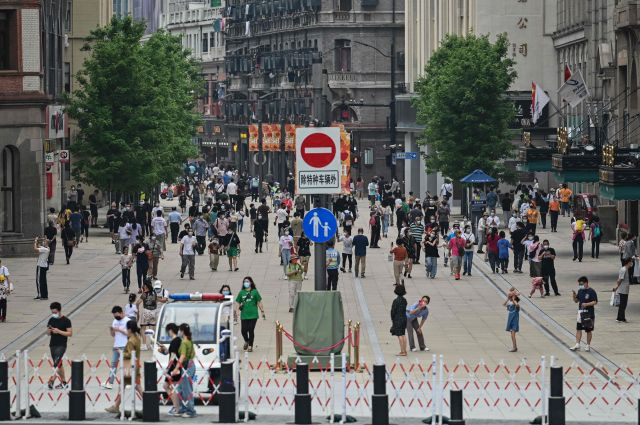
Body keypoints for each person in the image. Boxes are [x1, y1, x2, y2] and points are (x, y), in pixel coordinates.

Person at [104, 320, 142, 414]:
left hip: (130, 366)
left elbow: (129, 354)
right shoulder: (137, 338)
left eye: (127, 328)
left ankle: (150, 403)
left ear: (129, 329)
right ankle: (116, 406)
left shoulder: (131, 341)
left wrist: (120, 352)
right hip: (135, 365)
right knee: (124, 385)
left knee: (136, 386)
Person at [157, 323, 182, 416]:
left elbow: (173, 356)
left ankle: (177, 408)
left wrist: (167, 369)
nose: (167, 333)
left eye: (167, 331)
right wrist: (164, 348)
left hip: (174, 368)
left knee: (172, 387)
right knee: (166, 386)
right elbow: (170, 352)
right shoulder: (175, 341)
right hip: (174, 367)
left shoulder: (175, 341)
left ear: (171, 330)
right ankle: (176, 407)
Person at [172, 323, 197, 418]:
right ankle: (183, 408)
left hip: (186, 367)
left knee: (186, 389)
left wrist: (176, 368)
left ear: (182, 331)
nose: (178, 332)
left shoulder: (184, 342)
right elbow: (193, 353)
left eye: (179, 330)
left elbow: (182, 356)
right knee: (181, 388)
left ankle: (191, 410)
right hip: (190, 365)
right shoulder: (189, 341)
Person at [102, 306, 130, 389]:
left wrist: (118, 329)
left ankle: (128, 382)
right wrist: (112, 330)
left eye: (117, 315)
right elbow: (113, 335)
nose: (116, 317)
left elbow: (129, 333)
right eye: (114, 315)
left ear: (121, 312)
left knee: (126, 364)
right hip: (116, 345)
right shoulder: (114, 321)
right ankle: (110, 382)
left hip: (124, 345)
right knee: (113, 364)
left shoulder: (127, 321)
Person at [235, 277, 265, 352]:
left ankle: (250, 346)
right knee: (243, 330)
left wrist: (262, 311)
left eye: (247, 281)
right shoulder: (241, 292)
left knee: (251, 329)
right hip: (244, 315)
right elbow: (238, 302)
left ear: (251, 282)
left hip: (253, 314)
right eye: (244, 281)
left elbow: (259, 301)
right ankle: (247, 340)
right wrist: (237, 312)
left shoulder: (255, 292)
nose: (246, 283)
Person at [46, 302, 72, 389]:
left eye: (55, 312)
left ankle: (52, 380)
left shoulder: (66, 320)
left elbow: (70, 333)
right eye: (52, 312)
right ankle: (64, 382)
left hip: (62, 345)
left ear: (59, 310)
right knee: (59, 364)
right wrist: (50, 331)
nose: (54, 314)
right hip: (52, 344)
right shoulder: (51, 320)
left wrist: (59, 331)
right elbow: (47, 333)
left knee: (57, 362)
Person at [570, 276, 597, 351]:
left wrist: (586, 304)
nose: (580, 285)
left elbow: (595, 302)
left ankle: (588, 345)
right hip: (580, 313)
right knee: (578, 329)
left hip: (588, 313)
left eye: (581, 284)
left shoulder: (591, 291)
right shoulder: (580, 291)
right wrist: (574, 295)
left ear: (586, 283)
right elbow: (576, 301)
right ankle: (577, 344)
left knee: (588, 330)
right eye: (579, 284)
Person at [137, 281, 158, 350]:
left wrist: (137, 310)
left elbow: (138, 302)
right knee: (153, 328)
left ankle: (144, 345)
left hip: (146, 311)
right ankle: (152, 345)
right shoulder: (154, 293)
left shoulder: (144, 294)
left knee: (143, 328)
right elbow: (156, 301)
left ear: (145, 286)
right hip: (154, 311)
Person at [390, 284, 408, 356]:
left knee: (399, 335)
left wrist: (393, 319)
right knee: (403, 334)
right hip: (404, 317)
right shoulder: (404, 300)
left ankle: (402, 351)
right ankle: (405, 350)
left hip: (398, 318)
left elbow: (393, 311)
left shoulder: (396, 301)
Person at [613, 258, 633, 323]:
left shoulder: (626, 269)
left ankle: (621, 318)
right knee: (623, 304)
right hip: (622, 290)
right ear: (628, 262)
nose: (632, 263)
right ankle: (620, 318)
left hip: (625, 289)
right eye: (631, 262)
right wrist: (616, 287)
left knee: (623, 304)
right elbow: (620, 279)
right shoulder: (623, 269)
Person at [503, 288, 520, 352]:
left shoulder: (515, 303)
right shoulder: (510, 304)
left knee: (512, 334)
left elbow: (517, 306)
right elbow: (504, 304)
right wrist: (508, 299)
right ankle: (515, 347)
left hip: (514, 320)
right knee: (512, 335)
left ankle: (514, 347)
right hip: (510, 320)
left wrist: (513, 299)